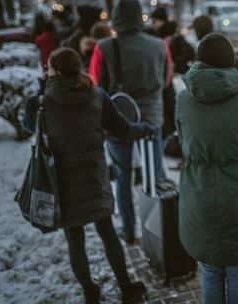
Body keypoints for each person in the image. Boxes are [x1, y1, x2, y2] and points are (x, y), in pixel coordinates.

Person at [22, 48, 152, 304]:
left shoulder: (39, 104)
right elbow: (123, 129)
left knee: (75, 239)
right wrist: (146, 129)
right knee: (107, 231)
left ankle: (90, 292)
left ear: (55, 71)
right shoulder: (96, 95)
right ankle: (127, 287)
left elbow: (29, 127)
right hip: (94, 177)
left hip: (63, 183)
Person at [175, 33, 238, 304]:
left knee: (210, 269)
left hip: (198, 190)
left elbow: (181, 138)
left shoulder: (183, 99)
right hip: (236, 190)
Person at [89, 0, 167, 243]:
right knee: (155, 175)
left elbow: (95, 83)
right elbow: (166, 79)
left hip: (118, 118)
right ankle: (161, 229)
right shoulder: (159, 45)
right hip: (152, 118)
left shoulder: (104, 47)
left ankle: (129, 230)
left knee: (123, 177)